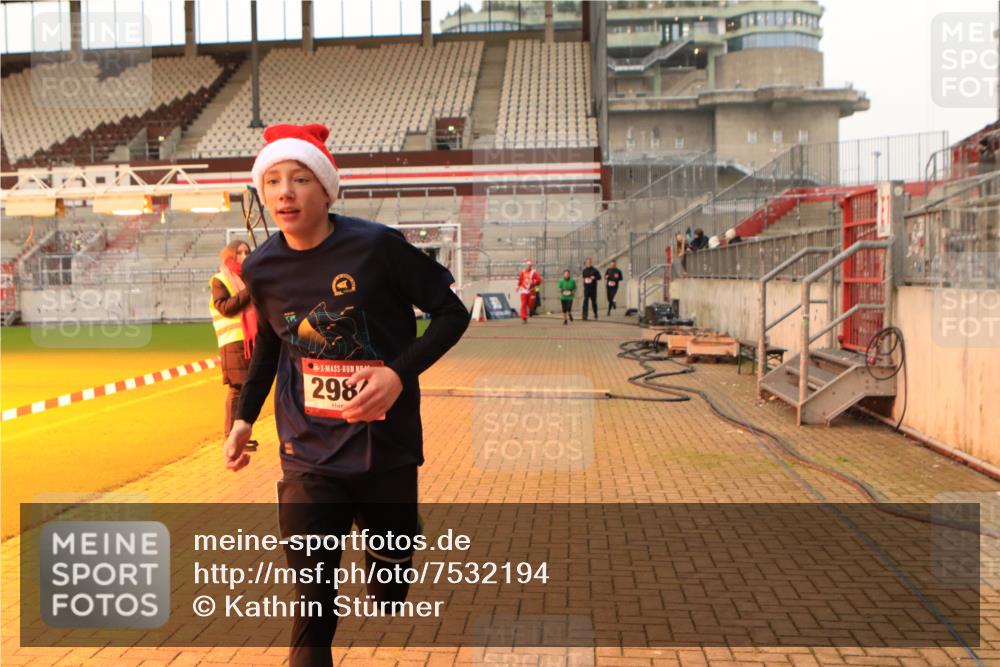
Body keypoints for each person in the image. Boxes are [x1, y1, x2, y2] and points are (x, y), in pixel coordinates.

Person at [222, 123, 469, 667]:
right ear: (262, 194)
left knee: (388, 588)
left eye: (301, 179)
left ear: (327, 189)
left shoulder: (377, 248)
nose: (286, 192)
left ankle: (396, 544)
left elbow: (453, 314)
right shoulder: (261, 267)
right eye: (274, 182)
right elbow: (269, 344)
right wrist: (243, 418)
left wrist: (396, 375)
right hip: (308, 453)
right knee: (312, 603)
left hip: (386, 449)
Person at [209, 239, 259, 451]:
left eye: (247, 252)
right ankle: (231, 435)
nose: (244, 256)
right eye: (239, 253)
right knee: (237, 388)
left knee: (246, 388)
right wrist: (249, 291)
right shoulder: (221, 280)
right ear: (230, 256)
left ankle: (239, 435)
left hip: (249, 341)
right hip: (233, 342)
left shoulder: (247, 278)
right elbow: (226, 308)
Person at [516, 258, 542, 323]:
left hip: (531, 290)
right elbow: (520, 280)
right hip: (524, 290)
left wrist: (534, 282)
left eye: (530, 265)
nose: (529, 266)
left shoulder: (534, 272)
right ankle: (524, 317)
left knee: (531, 304)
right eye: (528, 265)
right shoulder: (523, 272)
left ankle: (531, 310)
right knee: (523, 304)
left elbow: (539, 280)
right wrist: (518, 286)